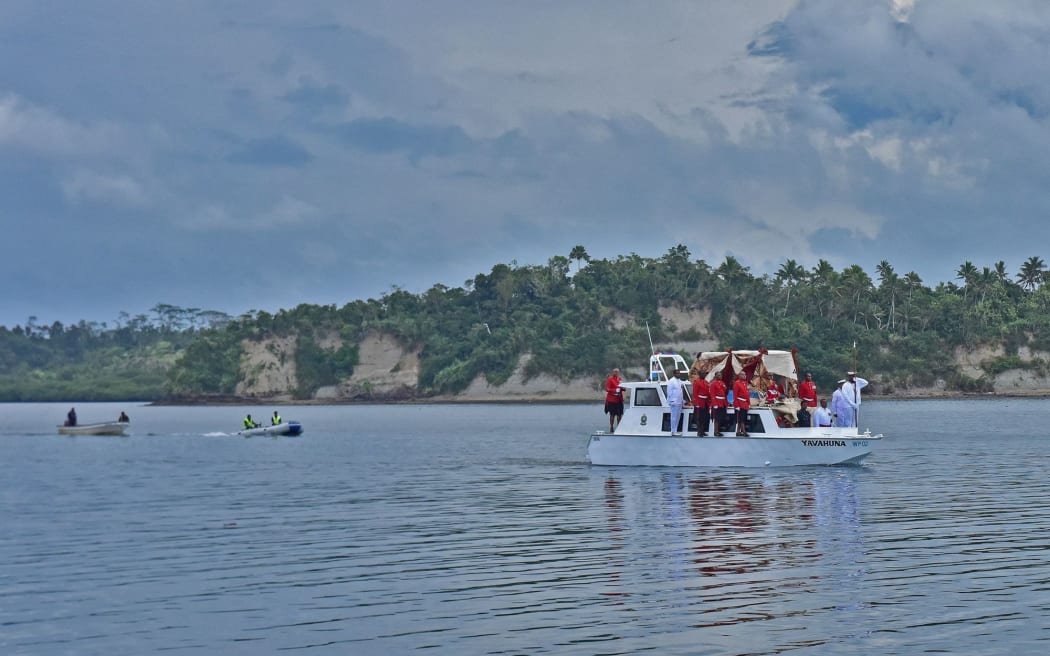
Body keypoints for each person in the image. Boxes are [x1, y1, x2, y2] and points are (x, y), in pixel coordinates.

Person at [665, 370, 690, 435]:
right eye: (677, 373)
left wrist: (683, 401)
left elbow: (680, 392)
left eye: (679, 373)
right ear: (674, 374)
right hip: (674, 402)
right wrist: (671, 401)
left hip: (679, 401)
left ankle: (675, 430)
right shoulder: (671, 381)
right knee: (674, 417)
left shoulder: (680, 381)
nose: (679, 374)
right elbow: (669, 392)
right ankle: (673, 431)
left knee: (678, 417)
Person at [604, 368, 625, 432]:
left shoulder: (619, 379)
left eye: (617, 372)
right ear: (613, 372)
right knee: (612, 414)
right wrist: (614, 390)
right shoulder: (610, 379)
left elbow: (622, 387)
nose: (616, 373)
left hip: (619, 399)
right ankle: (611, 427)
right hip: (612, 400)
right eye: (615, 372)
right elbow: (607, 389)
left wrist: (623, 388)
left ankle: (618, 427)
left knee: (619, 414)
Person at [691, 368, 710, 436]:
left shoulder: (706, 382)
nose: (704, 375)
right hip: (699, 402)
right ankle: (699, 431)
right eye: (703, 374)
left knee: (704, 417)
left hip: (705, 402)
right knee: (699, 417)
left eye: (704, 374)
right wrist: (696, 403)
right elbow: (695, 393)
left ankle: (703, 430)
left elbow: (708, 392)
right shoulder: (697, 382)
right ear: (700, 374)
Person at [733, 370, 751, 436]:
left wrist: (748, 403)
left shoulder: (745, 383)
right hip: (740, 403)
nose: (744, 376)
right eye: (743, 374)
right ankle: (744, 432)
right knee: (741, 418)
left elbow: (747, 394)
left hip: (745, 403)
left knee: (742, 418)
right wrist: (736, 405)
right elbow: (735, 395)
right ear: (739, 376)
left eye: (745, 374)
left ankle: (738, 432)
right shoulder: (737, 383)